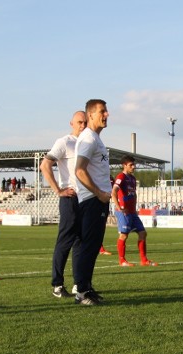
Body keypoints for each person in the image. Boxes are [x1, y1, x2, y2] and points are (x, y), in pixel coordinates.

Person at [40, 110, 86, 298]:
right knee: (65, 241)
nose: (82, 126)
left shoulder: (87, 143)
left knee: (80, 243)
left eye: (85, 123)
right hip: (70, 198)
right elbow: (45, 165)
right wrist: (59, 190)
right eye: (79, 122)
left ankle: (78, 284)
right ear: (72, 123)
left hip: (85, 198)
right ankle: (57, 285)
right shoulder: (64, 142)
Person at [72, 99, 112, 305]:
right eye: (102, 111)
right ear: (91, 115)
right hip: (92, 201)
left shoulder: (95, 139)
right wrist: (98, 193)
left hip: (97, 200)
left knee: (92, 245)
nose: (106, 115)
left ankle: (86, 288)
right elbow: (79, 170)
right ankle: (82, 293)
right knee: (88, 246)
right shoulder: (89, 138)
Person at [112, 155, 157, 267]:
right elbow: (114, 192)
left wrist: (135, 208)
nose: (133, 167)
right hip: (124, 212)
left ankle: (144, 260)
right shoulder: (120, 177)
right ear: (124, 165)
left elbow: (134, 194)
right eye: (131, 165)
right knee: (124, 235)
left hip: (132, 212)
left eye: (134, 164)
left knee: (143, 233)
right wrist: (119, 207)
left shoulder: (132, 178)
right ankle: (122, 261)